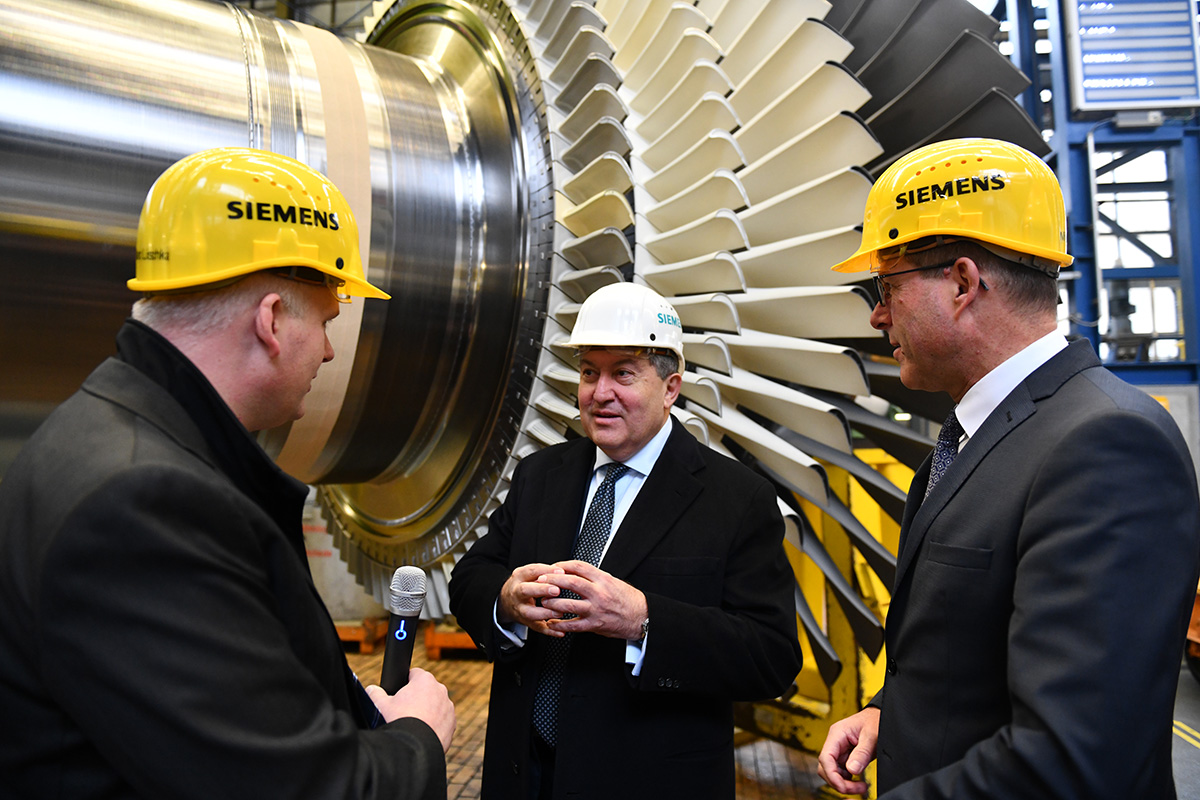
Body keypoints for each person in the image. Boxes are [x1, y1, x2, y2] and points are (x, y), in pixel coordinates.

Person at [0, 148, 455, 799]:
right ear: (271, 321)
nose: (330, 350)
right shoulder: (143, 504)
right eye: (326, 320)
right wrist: (416, 737)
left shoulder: (111, 434)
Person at [817, 137, 1200, 798]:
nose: (878, 315)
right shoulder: (973, 439)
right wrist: (890, 710)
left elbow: (1074, 758)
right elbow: (967, 642)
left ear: (963, 283)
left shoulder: (1105, 444)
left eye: (888, 287)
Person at [448, 281, 803, 799]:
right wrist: (506, 599)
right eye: (590, 372)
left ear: (671, 388)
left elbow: (771, 657)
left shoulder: (736, 499)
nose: (600, 393)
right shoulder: (540, 475)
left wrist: (643, 620)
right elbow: (470, 579)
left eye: (624, 373)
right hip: (525, 777)